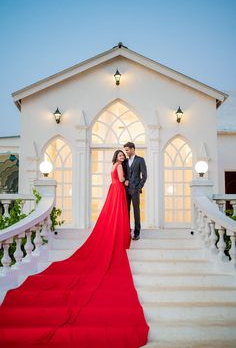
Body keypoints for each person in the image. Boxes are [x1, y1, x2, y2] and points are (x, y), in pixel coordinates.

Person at [0, 149, 149, 348]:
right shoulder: (120, 167)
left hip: (112, 191)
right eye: (120, 156)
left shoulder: (113, 166)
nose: (122, 158)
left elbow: (115, 179)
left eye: (123, 155)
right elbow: (122, 181)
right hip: (118, 191)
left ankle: (118, 232)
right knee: (118, 214)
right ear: (118, 158)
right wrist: (128, 182)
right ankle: (119, 234)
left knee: (112, 215)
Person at [123, 142, 147, 240]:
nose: (126, 152)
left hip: (135, 190)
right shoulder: (125, 161)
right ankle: (127, 230)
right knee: (126, 211)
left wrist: (139, 187)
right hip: (126, 190)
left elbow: (144, 176)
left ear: (133, 149)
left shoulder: (140, 160)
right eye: (125, 150)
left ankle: (137, 233)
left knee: (136, 211)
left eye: (127, 150)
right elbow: (123, 175)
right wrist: (125, 181)